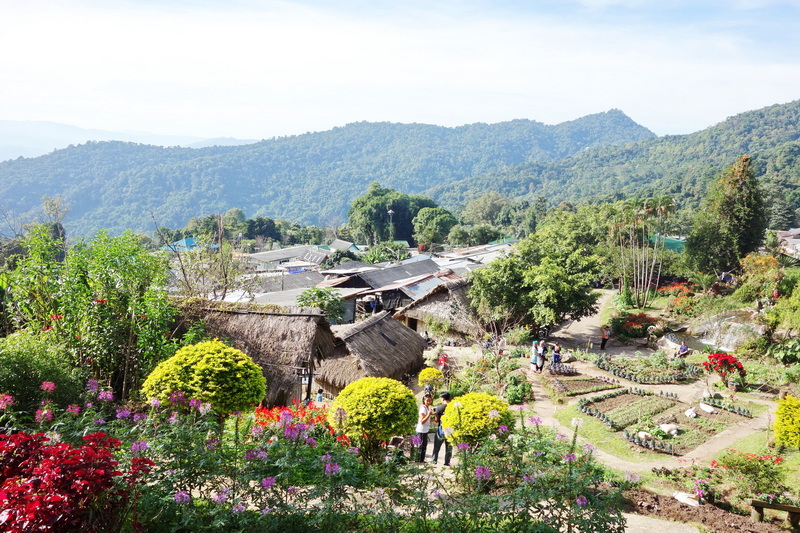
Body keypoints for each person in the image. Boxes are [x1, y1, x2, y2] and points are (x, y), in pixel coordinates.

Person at [431, 392, 452, 466]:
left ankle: (434, 461)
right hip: (450, 429)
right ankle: (447, 462)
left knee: (437, 446)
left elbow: (436, 420)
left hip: (441, 428)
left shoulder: (439, 408)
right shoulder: (453, 407)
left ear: (442, 398)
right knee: (449, 446)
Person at [415, 394, 433, 462]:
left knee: (424, 445)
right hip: (421, 430)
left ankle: (421, 459)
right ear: (424, 400)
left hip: (425, 430)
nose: (429, 402)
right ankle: (419, 460)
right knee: (421, 446)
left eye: (430, 400)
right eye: (427, 401)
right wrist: (428, 414)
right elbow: (422, 421)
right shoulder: (423, 408)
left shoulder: (427, 407)